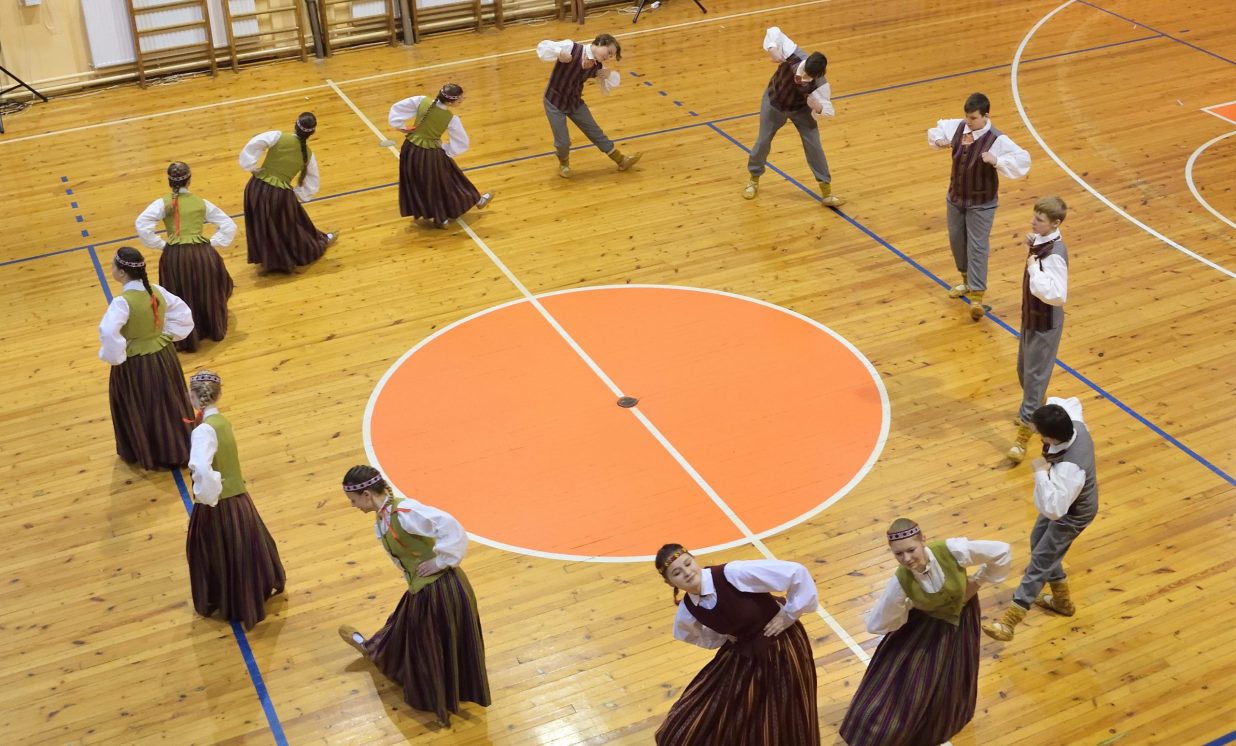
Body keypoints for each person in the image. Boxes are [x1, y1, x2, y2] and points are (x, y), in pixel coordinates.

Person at [337, 465, 490, 725]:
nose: (353, 506)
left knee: (424, 644)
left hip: (440, 590)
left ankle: (436, 698)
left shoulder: (405, 512)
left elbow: (451, 527)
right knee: (406, 629)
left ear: (367, 495)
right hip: (425, 589)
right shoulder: (384, 517)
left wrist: (441, 561)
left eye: (353, 500)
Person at [839, 519, 1011, 746]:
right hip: (927, 627)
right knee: (912, 682)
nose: (907, 559)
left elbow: (1001, 551)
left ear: (923, 541)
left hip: (962, 618)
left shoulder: (952, 550)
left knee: (954, 672)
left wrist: (977, 582)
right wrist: (909, 607)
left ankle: (944, 720)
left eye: (911, 550)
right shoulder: (900, 582)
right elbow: (876, 623)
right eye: (899, 554)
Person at [653, 544, 820, 745]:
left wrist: (789, 615)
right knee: (714, 713)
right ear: (669, 582)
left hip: (782, 647)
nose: (687, 573)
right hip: (745, 653)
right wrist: (722, 635)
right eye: (677, 573)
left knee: (785, 709)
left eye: (688, 564)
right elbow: (688, 634)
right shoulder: (687, 609)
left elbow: (796, 573)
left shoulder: (732, 573)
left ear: (694, 559)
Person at [984, 397, 1098, 642]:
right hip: (1063, 501)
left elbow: (1055, 508)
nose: (1036, 435)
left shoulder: (1070, 469)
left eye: (1039, 433)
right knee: (1038, 541)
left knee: (1041, 560)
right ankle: (1062, 602)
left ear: (1051, 438)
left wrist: (1039, 473)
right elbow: (1068, 402)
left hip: (1072, 513)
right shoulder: (1074, 423)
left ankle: (1009, 622)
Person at [185, 369, 285, 629]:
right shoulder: (223, 422)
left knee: (214, 551)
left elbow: (201, 467)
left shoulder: (203, 431)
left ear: (195, 397)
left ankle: (228, 598)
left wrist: (207, 496)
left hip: (218, 502)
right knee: (243, 549)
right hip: (239, 499)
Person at [927, 92, 1031, 320]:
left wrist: (998, 161)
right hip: (956, 198)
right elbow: (937, 129)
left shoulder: (997, 140)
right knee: (957, 241)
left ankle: (977, 297)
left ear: (986, 116)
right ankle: (966, 282)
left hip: (981, 204)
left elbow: (1023, 160)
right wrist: (939, 140)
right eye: (967, 117)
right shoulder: (959, 127)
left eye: (973, 118)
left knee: (977, 247)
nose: (968, 121)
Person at [98, 246, 195, 470]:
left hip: (136, 363)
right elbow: (183, 316)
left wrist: (116, 356)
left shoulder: (122, 302)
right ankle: (174, 445)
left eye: (113, 266)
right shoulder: (156, 291)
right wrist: (163, 336)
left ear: (122, 272)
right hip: (164, 356)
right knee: (168, 401)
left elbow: (108, 332)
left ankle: (150, 450)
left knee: (143, 404)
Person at [135, 161, 237, 352]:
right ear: (189, 180)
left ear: (169, 182)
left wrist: (161, 245)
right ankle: (211, 328)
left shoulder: (162, 203)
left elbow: (142, 224)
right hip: (202, 254)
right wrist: (210, 244)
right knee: (207, 289)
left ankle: (185, 336)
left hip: (175, 256)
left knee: (178, 294)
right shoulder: (201, 202)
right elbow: (228, 225)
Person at [744, 27, 844, 207]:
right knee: (763, 141)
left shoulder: (821, 85)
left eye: (809, 77)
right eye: (804, 72)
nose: (803, 78)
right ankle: (753, 179)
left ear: (819, 75)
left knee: (814, 145)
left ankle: (826, 192)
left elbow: (829, 111)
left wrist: (818, 107)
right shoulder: (792, 53)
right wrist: (772, 48)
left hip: (801, 110)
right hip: (774, 102)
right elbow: (773, 31)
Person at [1008, 196, 1069, 463]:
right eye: (1034, 217)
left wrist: (1034, 270)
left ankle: (1023, 437)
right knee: (1024, 371)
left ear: (1055, 223)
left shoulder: (1055, 256)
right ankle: (1036, 409)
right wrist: (1034, 242)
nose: (1033, 222)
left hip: (1045, 324)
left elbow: (1057, 295)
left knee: (1033, 379)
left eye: (1039, 220)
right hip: (1031, 318)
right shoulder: (1042, 242)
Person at [239, 112, 338, 273]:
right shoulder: (308, 155)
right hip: (280, 196)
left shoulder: (277, 136)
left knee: (261, 223)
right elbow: (312, 184)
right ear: (312, 132)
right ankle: (292, 255)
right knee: (294, 225)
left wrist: (251, 167)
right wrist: (295, 195)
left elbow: (254, 144)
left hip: (255, 188)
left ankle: (267, 259)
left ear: (295, 125)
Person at [387, 83, 494, 228]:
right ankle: (445, 216)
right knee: (445, 180)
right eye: (460, 99)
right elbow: (461, 143)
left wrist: (401, 127)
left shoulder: (421, 101)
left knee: (419, 181)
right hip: (430, 154)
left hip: (409, 149)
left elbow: (398, 108)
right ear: (451, 102)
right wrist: (446, 150)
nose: (461, 100)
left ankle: (446, 215)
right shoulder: (451, 119)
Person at [536, 33, 641, 178]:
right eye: (608, 52)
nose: (608, 57)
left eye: (611, 56)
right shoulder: (571, 47)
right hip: (554, 102)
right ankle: (564, 164)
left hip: (574, 102)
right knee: (563, 141)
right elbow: (542, 47)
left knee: (595, 132)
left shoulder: (598, 66)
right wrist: (559, 52)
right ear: (600, 43)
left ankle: (621, 160)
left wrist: (608, 75)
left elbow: (607, 88)